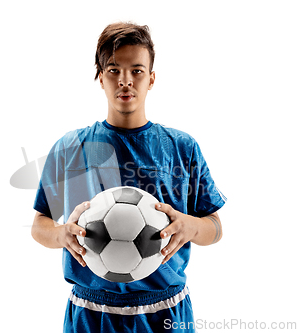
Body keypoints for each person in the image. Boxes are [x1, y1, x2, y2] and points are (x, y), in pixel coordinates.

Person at [31, 21, 226, 333]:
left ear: (151, 79)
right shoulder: (71, 147)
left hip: (166, 313)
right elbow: (40, 223)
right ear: (100, 77)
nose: (125, 81)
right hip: (91, 313)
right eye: (113, 70)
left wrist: (192, 226)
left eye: (136, 70)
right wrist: (59, 235)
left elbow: (214, 228)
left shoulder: (181, 148)